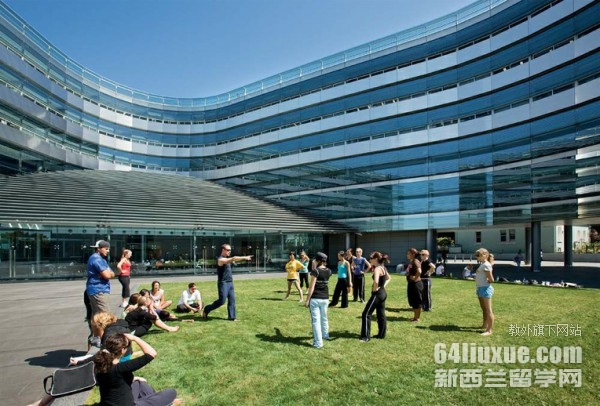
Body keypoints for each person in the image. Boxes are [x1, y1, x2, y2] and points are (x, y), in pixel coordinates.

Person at [93, 333, 182, 406]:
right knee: (171, 392)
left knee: (138, 383)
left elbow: (115, 380)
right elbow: (152, 353)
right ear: (123, 350)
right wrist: (135, 338)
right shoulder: (120, 368)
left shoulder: (100, 365)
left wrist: (136, 378)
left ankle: (154, 400)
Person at [202, 244, 252, 321]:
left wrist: (239, 259)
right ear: (223, 250)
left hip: (230, 282)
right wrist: (245, 257)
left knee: (232, 300)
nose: (229, 251)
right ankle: (207, 309)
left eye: (230, 250)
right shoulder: (220, 259)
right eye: (228, 250)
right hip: (223, 283)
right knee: (221, 301)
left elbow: (234, 259)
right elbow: (234, 258)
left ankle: (232, 317)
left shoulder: (227, 258)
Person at [360, 251, 391, 342]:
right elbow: (389, 278)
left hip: (377, 295)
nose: (370, 260)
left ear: (376, 259)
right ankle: (381, 334)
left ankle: (365, 337)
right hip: (383, 293)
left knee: (366, 314)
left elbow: (376, 281)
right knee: (381, 314)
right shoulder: (383, 267)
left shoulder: (377, 269)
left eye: (371, 258)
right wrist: (383, 286)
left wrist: (375, 289)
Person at [305, 252, 332, 349]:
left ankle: (318, 343)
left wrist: (307, 300)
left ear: (317, 260)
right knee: (324, 318)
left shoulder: (315, 271)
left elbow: (311, 287)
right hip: (325, 298)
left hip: (315, 298)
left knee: (316, 321)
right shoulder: (329, 271)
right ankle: (325, 335)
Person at [86, 240, 115, 317]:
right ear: (99, 248)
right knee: (105, 316)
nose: (108, 251)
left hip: (99, 289)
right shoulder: (97, 259)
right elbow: (107, 275)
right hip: (98, 290)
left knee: (98, 316)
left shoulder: (102, 259)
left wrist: (109, 274)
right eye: (106, 249)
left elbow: (112, 274)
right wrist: (108, 273)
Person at [475, 248, 495, 336]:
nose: (477, 257)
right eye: (476, 255)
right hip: (480, 288)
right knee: (484, 309)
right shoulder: (483, 264)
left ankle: (489, 330)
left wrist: (487, 281)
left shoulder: (486, 265)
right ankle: (485, 325)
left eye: (479, 255)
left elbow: (491, 279)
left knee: (489, 310)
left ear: (485, 255)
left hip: (485, 289)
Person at [405, 248, 423, 322]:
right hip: (412, 284)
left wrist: (415, 278)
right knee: (413, 301)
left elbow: (419, 271)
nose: (407, 255)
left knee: (417, 301)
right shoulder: (412, 261)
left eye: (408, 253)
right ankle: (415, 317)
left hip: (416, 284)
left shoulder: (415, 261)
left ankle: (417, 318)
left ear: (413, 254)